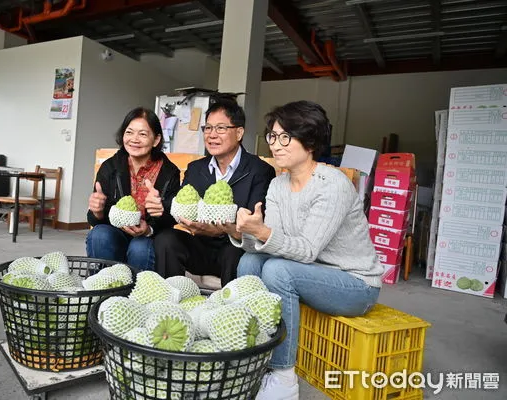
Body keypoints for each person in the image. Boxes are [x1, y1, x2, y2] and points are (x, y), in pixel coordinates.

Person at [230, 100, 384, 400]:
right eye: (272, 136)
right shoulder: (278, 185)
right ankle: (252, 355)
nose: (276, 145)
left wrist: (262, 232)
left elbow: (306, 250)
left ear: (310, 141)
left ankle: (284, 377)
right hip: (312, 273)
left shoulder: (332, 185)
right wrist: (242, 231)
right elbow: (269, 241)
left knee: (277, 269)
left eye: (285, 137)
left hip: (355, 284)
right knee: (250, 261)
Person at [154, 100, 276, 286]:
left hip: (234, 246)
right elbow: (182, 206)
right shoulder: (196, 169)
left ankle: (227, 311)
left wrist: (218, 229)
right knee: (166, 240)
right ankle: (168, 302)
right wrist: (161, 204)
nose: (212, 135)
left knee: (234, 253)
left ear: (239, 132)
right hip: (200, 246)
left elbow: (253, 224)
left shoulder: (260, 171)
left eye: (220, 128)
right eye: (208, 128)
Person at [86, 107, 180, 271]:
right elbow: (95, 220)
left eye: (143, 134)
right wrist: (97, 211)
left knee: (140, 248)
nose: (134, 139)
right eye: (129, 132)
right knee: (99, 235)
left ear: (156, 140)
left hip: (149, 236)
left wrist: (150, 227)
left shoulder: (169, 172)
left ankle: (136, 294)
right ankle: (104, 290)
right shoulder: (110, 167)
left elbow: (173, 216)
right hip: (116, 232)